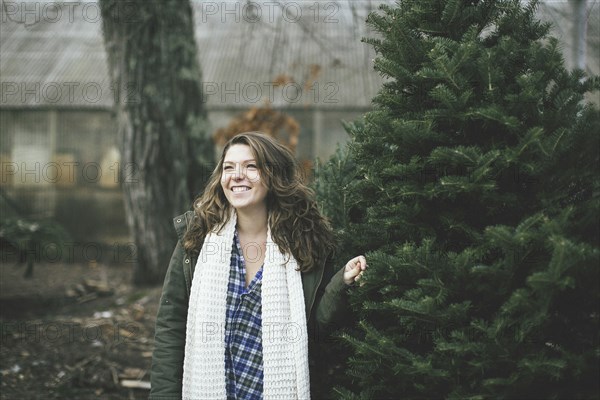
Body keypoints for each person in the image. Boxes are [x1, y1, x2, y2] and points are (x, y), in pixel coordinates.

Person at [149, 132, 368, 400]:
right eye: (229, 168)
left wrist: (341, 283)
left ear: (274, 175)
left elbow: (313, 331)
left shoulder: (304, 243)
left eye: (250, 166)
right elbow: (171, 329)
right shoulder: (198, 238)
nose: (237, 175)